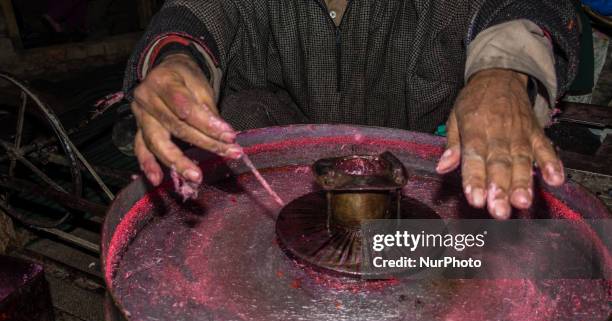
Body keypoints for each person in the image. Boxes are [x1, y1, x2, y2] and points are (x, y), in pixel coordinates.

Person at [123, 0, 580, 220]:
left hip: (432, 202)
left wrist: (501, 76)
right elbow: (193, 18)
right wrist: (176, 64)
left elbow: (521, 8)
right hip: (280, 204)